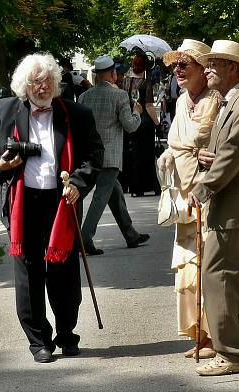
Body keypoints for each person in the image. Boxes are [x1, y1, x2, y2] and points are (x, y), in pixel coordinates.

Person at [0, 53, 104, 363]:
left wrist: (78, 182)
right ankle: (39, 342)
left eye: (48, 80)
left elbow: (93, 153)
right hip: (22, 203)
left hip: (61, 202)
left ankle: (67, 334)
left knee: (64, 272)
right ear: (24, 85)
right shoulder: (4, 109)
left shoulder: (76, 113)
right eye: (35, 81)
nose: (42, 86)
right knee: (29, 274)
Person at [186, 40, 239, 376]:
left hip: (235, 210)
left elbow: (234, 154)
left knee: (218, 275)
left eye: (213, 64)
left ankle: (232, 353)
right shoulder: (232, 101)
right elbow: (226, 150)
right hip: (235, 208)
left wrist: (202, 187)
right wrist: (206, 154)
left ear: (232, 68)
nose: (206, 70)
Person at [156, 39, 220, 361]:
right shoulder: (182, 101)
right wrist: (170, 153)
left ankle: (213, 334)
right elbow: (181, 141)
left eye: (185, 65)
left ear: (202, 69)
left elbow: (211, 141)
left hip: (206, 192)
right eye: (175, 65)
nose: (178, 70)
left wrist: (199, 153)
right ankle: (197, 332)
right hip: (183, 195)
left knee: (206, 263)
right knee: (186, 265)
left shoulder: (214, 100)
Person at [77, 55, 149, 256]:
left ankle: (130, 234)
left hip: (89, 156)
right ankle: (85, 236)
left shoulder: (84, 97)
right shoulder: (119, 96)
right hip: (110, 156)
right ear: (113, 73)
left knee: (113, 194)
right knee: (101, 197)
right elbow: (130, 126)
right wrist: (137, 112)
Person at [123, 52, 161, 197]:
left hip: (130, 121)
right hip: (145, 123)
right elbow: (149, 106)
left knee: (134, 155)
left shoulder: (125, 82)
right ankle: (150, 185)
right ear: (145, 67)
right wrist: (157, 123)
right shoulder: (145, 83)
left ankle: (135, 187)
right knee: (147, 156)